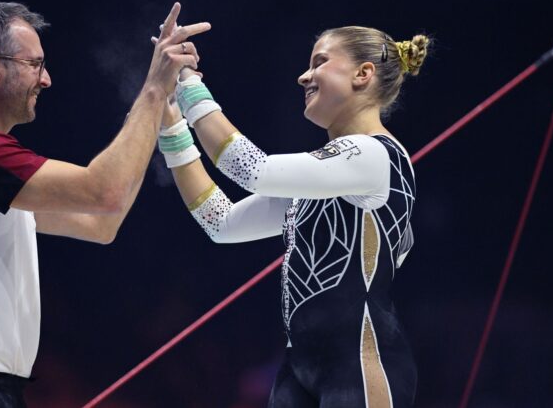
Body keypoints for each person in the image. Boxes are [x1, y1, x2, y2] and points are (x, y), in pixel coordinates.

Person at [0, 0, 209, 407]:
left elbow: (101, 222)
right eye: (34, 64)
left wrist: (157, 108)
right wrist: (153, 88)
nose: (46, 80)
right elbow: (105, 191)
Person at [157, 27, 428, 407]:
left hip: (361, 364)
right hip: (297, 368)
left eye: (319, 62)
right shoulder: (327, 176)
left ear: (362, 74)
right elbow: (223, 222)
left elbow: (252, 169)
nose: (304, 76)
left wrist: (187, 84)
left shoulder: (373, 156)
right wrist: (171, 126)